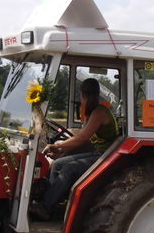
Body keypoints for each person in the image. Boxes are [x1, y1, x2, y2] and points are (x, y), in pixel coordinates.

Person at [30, 78, 119, 220]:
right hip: (98, 153)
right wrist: (61, 151)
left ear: (83, 95)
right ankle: (50, 203)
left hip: (107, 156)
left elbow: (82, 138)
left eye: (80, 96)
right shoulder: (92, 113)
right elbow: (83, 139)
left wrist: (57, 145)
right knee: (58, 164)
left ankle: (46, 206)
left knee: (69, 169)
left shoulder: (99, 113)